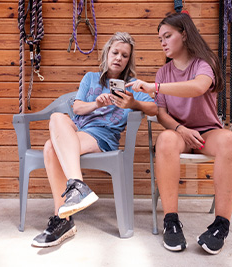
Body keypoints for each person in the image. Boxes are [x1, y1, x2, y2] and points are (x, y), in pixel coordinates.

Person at [127, 12, 232, 254]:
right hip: (180, 133)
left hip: (207, 133)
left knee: (230, 140)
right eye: (160, 39)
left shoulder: (204, 62)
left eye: (168, 36)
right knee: (166, 139)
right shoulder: (163, 72)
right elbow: (161, 113)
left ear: (185, 34)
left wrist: (155, 87)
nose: (164, 42)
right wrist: (180, 129)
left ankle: (221, 225)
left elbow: (198, 87)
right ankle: (171, 221)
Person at [32, 32, 158, 247]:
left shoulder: (133, 85)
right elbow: (77, 107)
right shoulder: (91, 78)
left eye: (124, 55)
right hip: (79, 129)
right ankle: (77, 186)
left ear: (129, 59)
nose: (119, 58)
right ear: (107, 53)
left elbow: (154, 108)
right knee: (56, 117)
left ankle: (63, 220)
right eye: (115, 52)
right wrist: (97, 104)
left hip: (104, 137)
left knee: (49, 148)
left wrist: (132, 103)